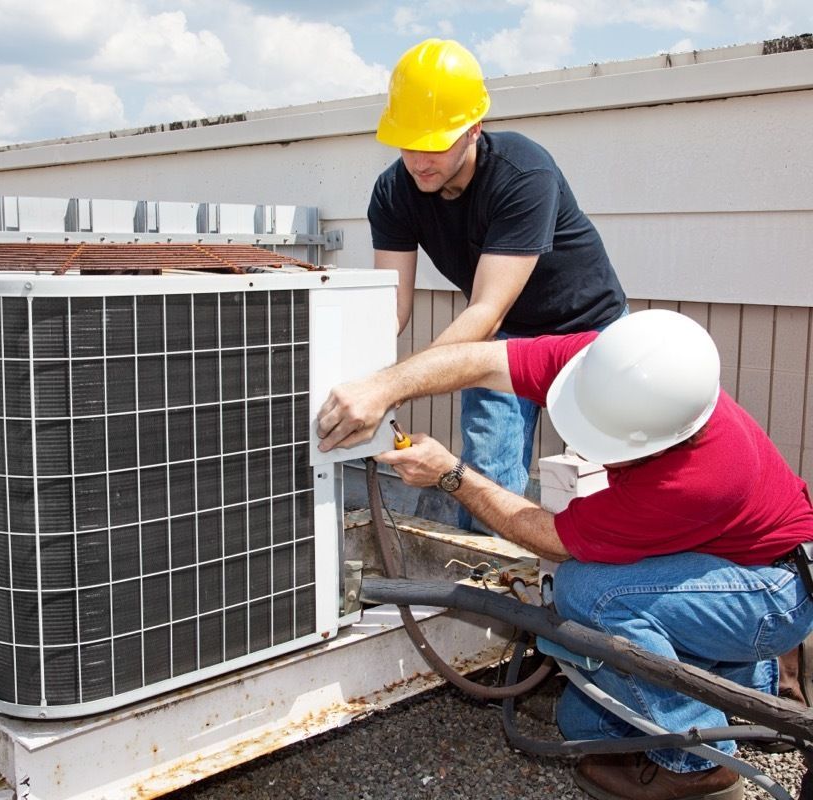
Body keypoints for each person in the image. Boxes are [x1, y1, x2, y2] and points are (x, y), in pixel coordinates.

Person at [316, 309, 813, 800]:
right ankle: (766, 679)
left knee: (589, 594)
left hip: (773, 588)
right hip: (733, 563)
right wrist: (385, 386)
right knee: (578, 721)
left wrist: (451, 475)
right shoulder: (610, 364)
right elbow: (479, 359)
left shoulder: (697, 480)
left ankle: (697, 765)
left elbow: (551, 537)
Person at [369, 38, 627, 530]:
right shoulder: (393, 192)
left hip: (590, 331)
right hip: (505, 338)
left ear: (473, 129)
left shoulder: (522, 171)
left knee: (617, 466)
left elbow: (486, 309)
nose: (421, 160)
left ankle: (609, 580)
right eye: (409, 143)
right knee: (485, 470)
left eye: (437, 142)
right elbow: (393, 305)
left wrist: (391, 387)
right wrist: (362, 376)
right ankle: (490, 587)